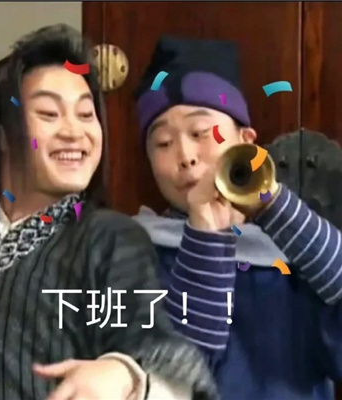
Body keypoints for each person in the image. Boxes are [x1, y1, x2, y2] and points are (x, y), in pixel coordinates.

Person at [0, 26, 220, 400]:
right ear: (2, 135)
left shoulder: (109, 238)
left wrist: (125, 375)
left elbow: (164, 359)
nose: (75, 131)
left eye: (86, 114)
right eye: (49, 113)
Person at [133, 35, 342, 400]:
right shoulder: (135, 255)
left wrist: (271, 205)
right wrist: (205, 237)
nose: (185, 155)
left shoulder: (293, 255)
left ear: (245, 141)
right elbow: (173, 378)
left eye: (201, 133)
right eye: (163, 143)